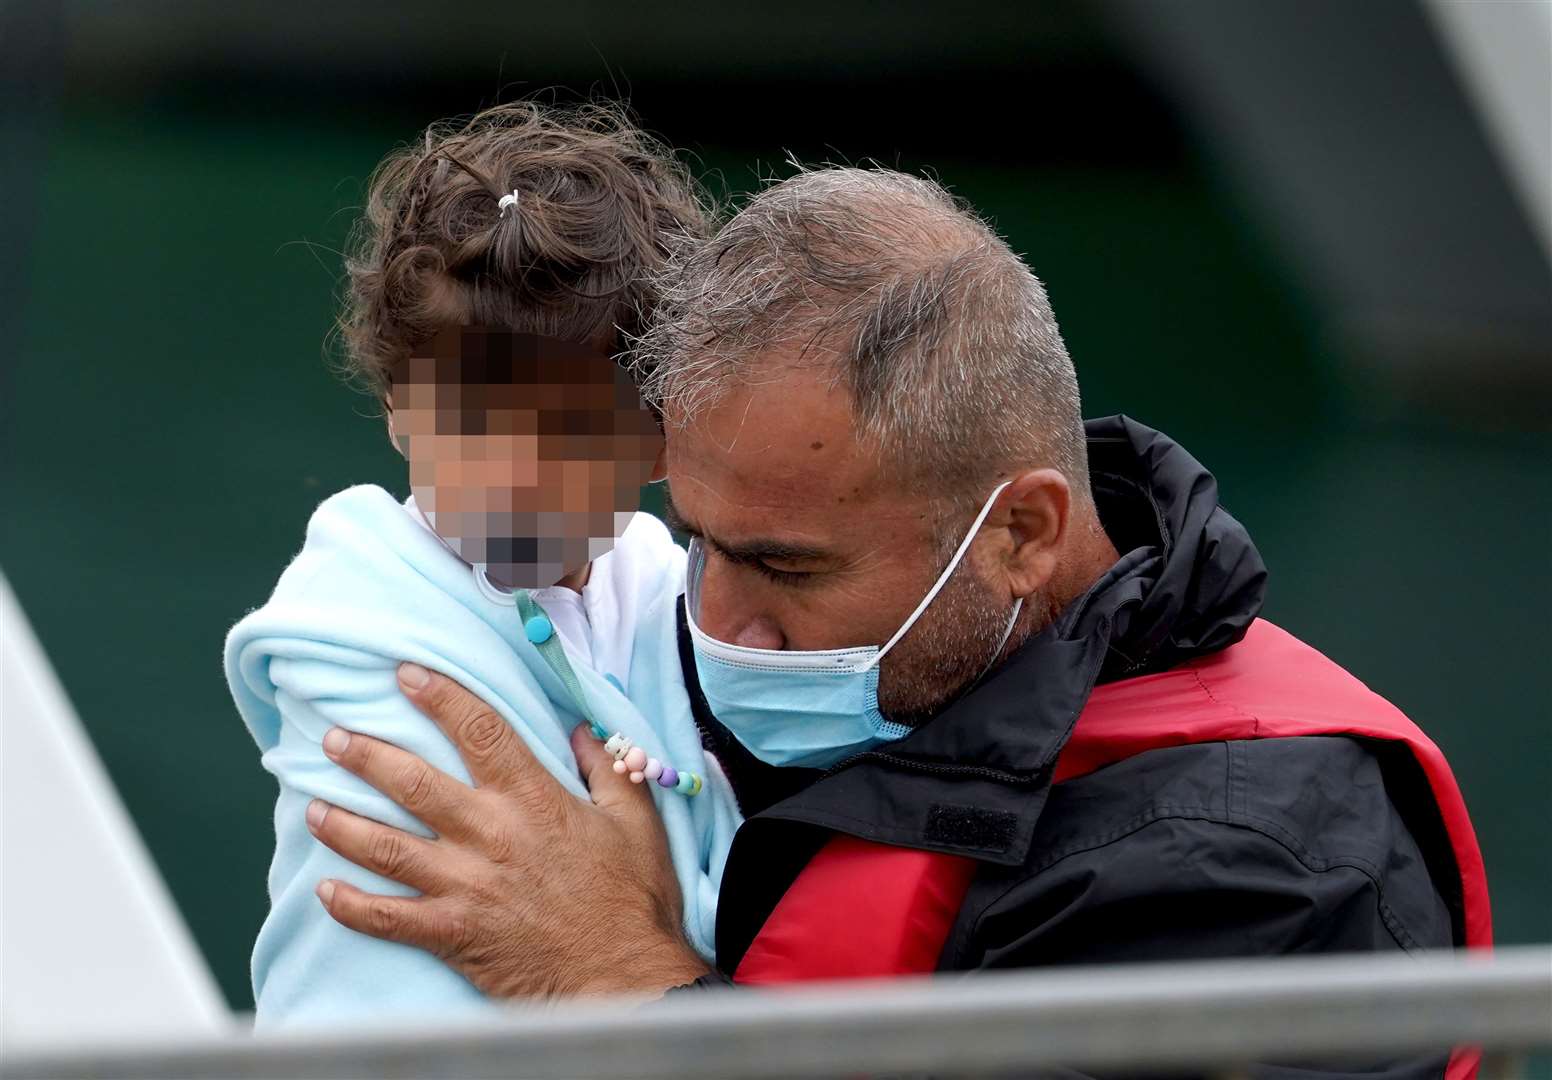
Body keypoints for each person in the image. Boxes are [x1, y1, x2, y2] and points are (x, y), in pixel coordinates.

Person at [302, 166, 1490, 1079]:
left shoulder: (1261, 868)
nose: (721, 629)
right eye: (698, 541)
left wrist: (620, 982)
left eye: (783, 565)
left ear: (1021, 532)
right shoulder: (872, 660)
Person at [222, 101, 741, 1028]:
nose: (512, 477)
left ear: (662, 442)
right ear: (395, 409)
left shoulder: (677, 600)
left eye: (572, 434)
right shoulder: (355, 617)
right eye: (466, 424)